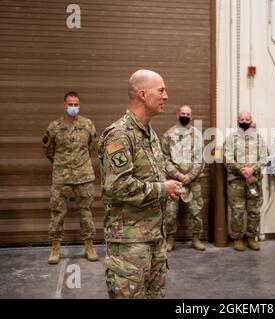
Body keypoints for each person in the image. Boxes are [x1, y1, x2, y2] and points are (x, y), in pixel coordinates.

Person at [98, 69, 183, 298]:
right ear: (143, 94)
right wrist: (163, 189)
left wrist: (164, 187)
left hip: (154, 238)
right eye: (161, 90)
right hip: (129, 244)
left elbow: (148, 178)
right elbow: (117, 187)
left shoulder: (150, 133)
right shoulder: (119, 135)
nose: (166, 96)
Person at [42, 91, 99, 264]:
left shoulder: (87, 125)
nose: (73, 107)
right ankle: (55, 248)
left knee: (86, 213)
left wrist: (80, 162)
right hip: (62, 178)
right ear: (64, 105)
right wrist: (62, 163)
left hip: (83, 177)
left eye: (76, 104)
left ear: (79, 105)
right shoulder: (54, 127)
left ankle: (89, 246)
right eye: (70, 104)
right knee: (57, 213)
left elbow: (93, 146)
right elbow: (48, 149)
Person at [161, 105, 206, 252]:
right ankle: (170, 239)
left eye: (187, 114)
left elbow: (200, 159)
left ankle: (195, 239)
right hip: (173, 180)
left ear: (191, 117)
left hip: (193, 181)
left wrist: (190, 176)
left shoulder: (197, 135)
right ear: (177, 115)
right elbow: (164, 159)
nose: (185, 116)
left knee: (196, 210)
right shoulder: (168, 135)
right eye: (182, 113)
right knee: (170, 212)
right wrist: (178, 175)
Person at [223, 111, 269, 251]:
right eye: (241, 119)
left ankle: (251, 238)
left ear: (251, 121)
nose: (244, 121)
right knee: (237, 212)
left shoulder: (259, 139)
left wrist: (252, 169)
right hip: (236, 182)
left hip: (254, 181)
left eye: (247, 119)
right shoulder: (231, 139)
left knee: (254, 211)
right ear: (238, 121)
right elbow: (228, 159)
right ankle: (237, 239)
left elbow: (265, 158)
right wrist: (243, 170)